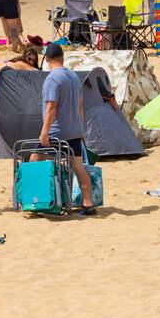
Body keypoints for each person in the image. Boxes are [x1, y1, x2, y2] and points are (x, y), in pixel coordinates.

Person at [36, 42, 95, 214]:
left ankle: (41, 201)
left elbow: (51, 107)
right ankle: (88, 203)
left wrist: (44, 132)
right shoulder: (73, 77)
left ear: (46, 59)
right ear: (62, 57)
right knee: (78, 165)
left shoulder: (52, 78)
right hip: (74, 129)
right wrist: (81, 129)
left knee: (34, 160)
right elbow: (81, 106)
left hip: (57, 131)